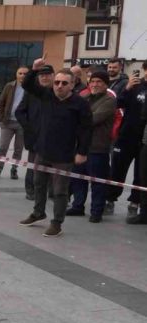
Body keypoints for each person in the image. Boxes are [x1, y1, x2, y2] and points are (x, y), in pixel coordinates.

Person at [19, 58, 92, 238]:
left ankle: (57, 222)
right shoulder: (46, 95)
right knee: (38, 184)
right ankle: (38, 212)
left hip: (64, 155)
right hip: (42, 150)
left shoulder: (80, 104)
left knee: (59, 191)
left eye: (64, 83)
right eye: (57, 82)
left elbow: (86, 130)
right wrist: (34, 69)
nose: (59, 86)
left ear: (72, 84)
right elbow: (27, 85)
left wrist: (82, 152)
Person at [65, 70, 116, 223]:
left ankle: (96, 211)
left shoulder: (109, 100)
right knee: (78, 178)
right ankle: (78, 206)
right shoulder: (84, 97)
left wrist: (76, 118)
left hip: (98, 147)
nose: (95, 84)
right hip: (80, 147)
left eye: (99, 82)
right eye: (92, 81)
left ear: (106, 84)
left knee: (98, 181)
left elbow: (93, 119)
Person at [106, 62, 147, 217]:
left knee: (141, 173)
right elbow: (118, 104)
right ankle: (110, 199)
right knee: (117, 168)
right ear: (144, 70)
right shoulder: (135, 86)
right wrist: (127, 88)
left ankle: (134, 203)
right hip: (126, 135)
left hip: (144, 139)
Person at [16, 65, 54, 200]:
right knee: (33, 165)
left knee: (51, 165)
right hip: (34, 137)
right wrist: (29, 127)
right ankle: (30, 189)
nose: (45, 77)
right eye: (42, 75)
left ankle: (51, 191)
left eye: (48, 74)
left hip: (52, 138)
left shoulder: (57, 93)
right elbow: (19, 112)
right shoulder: (31, 92)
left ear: (53, 76)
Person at [0, 66, 28, 180]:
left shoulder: (31, 88)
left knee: (18, 148)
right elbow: (1, 102)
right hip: (7, 122)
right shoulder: (9, 86)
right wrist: (1, 119)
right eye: (20, 73)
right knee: (3, 147)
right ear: (16, 74)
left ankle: (14, 169)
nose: (22, 76)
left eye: (25, 74)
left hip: (22, 123)